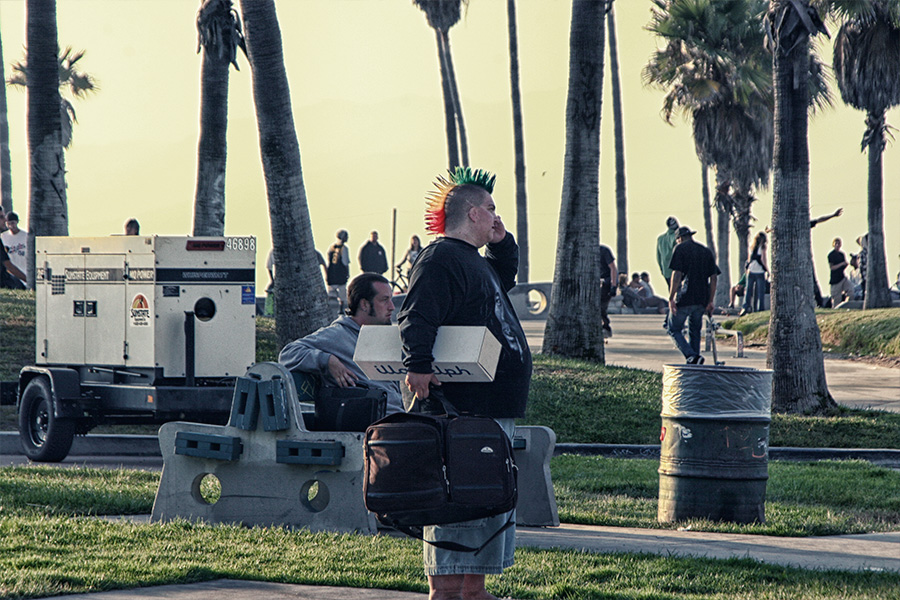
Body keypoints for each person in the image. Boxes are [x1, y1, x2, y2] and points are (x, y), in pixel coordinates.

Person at [398, 167, 531, 600]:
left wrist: (503, 242)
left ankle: (473, 590)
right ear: (472, 213)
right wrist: (417, 363)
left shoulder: (473, 261)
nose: (495, 216)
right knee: (464, 495)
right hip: (465, 408)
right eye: (490, 210)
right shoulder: (439, 259)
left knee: (487, 496)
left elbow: (504, 278)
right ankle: (454, 591)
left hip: (491, 406)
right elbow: (417, 314)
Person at [279, 273, 403, 414]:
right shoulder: (337, 335)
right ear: (364, 304)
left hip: (397, 419)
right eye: (384, 300)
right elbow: (287, 354)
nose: (392, 307)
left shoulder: (381, 338)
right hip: (373, 426)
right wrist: (327, 360)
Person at [667, 226, 720, 364]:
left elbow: (677, 274)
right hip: (702, 299)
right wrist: (710, 301)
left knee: (673, 328)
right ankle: (695, 362)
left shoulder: (680, 249)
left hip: (685, 297)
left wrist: (671, 297)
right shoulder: (705, 251)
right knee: (695, 330)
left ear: (680, 238)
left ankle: (691, 355)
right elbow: (714, 278)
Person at [740, 232, 768, 315]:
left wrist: (747, 270)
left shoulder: (752, 247)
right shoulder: (763, 247)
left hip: (751, 271)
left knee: (748, 290)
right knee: (760, 292)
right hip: (759, 272)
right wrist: (767, 270)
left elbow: (749, 260)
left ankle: (745, 307)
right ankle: (760, 309)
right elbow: (763, 259)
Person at [0, 210, 26, 289]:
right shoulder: (3, 236)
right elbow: (8, 265)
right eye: (1, 217)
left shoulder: (26, 236)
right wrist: (28, 280)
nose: (5, 220)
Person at [325, 229, 351, 310]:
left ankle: (330, 308)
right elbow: (345, 262)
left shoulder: (332, 247)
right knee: (342, 292)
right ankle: (341, 308)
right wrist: (347, 273)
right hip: (340, 273)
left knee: (331, 292)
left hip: (332, 272)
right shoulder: (344, 248)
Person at [827, 237, 853, 307]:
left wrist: (845, 265)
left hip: (842, 277)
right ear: (833, 244)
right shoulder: (831, 255)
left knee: (851, 290)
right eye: (836, 243)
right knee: (836, 299)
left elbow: (843, 266)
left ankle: (848, 305)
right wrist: (841, 264)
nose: (838, 245)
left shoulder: (842, 254)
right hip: (835, 280)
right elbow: (832, 267)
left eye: (839, 243)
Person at [599, 243, 617, 338]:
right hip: (594, 282)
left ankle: (606, 327)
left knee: (602, 306)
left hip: (606, 282)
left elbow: (613, 268)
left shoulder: (604, 251)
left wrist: (613, 286)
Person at [656, 216, 679, 289]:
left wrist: (662, 270)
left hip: (666, 271)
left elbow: (658, 257)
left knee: (671, 292)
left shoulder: (660, 239)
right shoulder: (677, 238)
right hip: (677, 271)